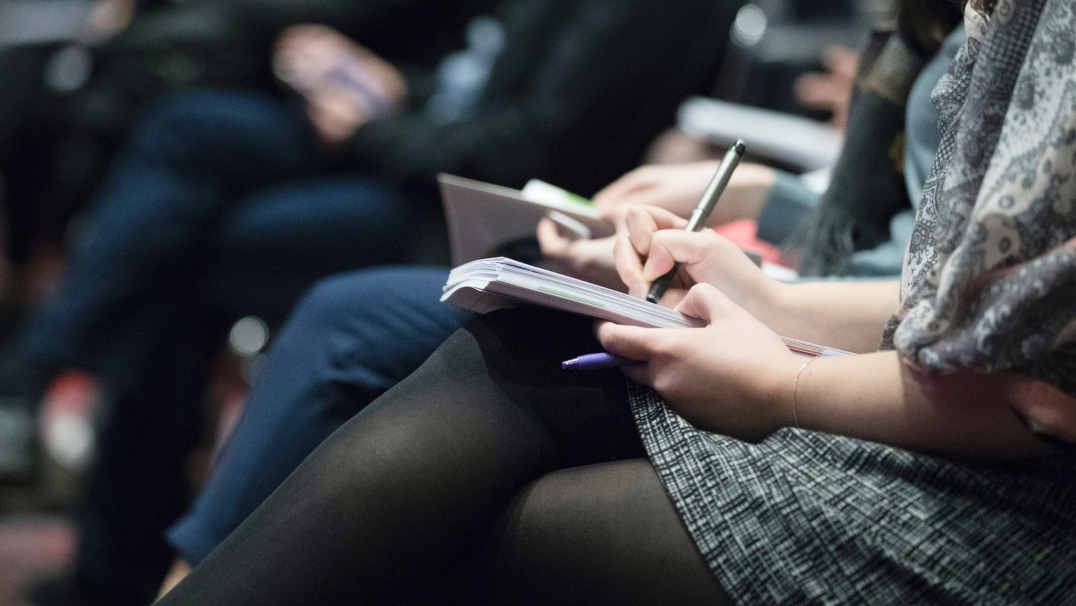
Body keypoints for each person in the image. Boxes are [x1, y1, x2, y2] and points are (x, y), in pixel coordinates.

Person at [154, 0, 1076, 601]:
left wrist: (783, 377)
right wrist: (757, 289)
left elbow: (1031, 386)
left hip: (1016, 501)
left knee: (443, 513)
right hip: (910, 368)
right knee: (502, 347)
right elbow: (947, 292)